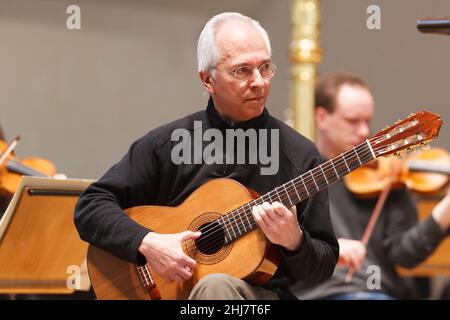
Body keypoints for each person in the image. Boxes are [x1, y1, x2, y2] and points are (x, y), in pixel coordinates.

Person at [74, 12, 339, 300]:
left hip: (259, 300)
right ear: (207, 80)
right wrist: (149, 243)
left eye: (264, 68)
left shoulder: (299, 155)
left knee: (215, 288)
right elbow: (91, 206)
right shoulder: (169, 145)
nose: (259, 82)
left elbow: (322, 267)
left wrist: (295, 241)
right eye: (242, 71)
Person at [290, 72, 450, 300]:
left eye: (368, 121)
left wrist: (446, 210)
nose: (365, 132)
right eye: (353, 121)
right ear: (322, 117)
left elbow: (405, 254)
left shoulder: (387, 177)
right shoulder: (295, 175)